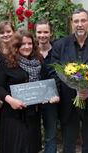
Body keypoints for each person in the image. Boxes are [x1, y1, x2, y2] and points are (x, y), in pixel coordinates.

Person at [0, 30, 59, 153]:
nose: (27, 47)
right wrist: (10, 100)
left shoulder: (38, 61)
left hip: (32, 114)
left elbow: (44, 83)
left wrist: (50, 96)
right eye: (22, 44)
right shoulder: (6, 62)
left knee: (30, 147)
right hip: (13, 115)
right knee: (16, 147)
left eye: (29, 43)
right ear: (16, 46)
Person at [50, 8, 88, 153]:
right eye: (76, 21)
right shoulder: (60, 45)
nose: (80, 24)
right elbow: (55, 72)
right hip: (68, 102)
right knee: (68, 143)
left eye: (83, 20)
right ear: (72, 23)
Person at [34, 19, 58, 153]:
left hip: (52, 98)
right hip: (33, 97)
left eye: (45, 32)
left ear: (51, 33)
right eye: (39, 32)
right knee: (33, 131)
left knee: (51, 132)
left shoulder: (58, 51)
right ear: (35, 33)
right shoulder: (30, 51)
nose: (42, 35)